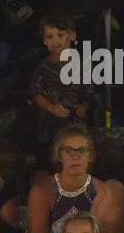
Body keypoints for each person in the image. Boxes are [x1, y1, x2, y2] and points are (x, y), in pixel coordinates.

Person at [27, 125, 124, 233]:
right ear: (59, 156)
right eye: (68, 151)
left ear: (90, 156)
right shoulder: (43, 191)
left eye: (82, 150)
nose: (75, 156)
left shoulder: (106, 191)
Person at [27, 13, 89, 151]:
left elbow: (89, 91)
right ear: (44, 40)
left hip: (75, 121)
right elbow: (35, 94)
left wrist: (84, 106)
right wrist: (52, 108)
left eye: (60, 35)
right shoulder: (43, 67)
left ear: (72, 36)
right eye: (50, 37)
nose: (56, 41)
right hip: (50, 123)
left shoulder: (82, 64)